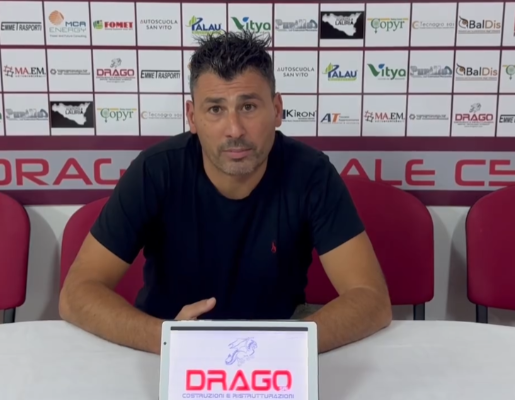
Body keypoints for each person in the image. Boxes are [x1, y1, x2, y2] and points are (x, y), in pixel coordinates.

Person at [59, 30, 392, 355]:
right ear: (192, 117)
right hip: (167, 346)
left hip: (278, 350)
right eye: (216, 109)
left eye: (248, 106)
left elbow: (371, 299)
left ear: (277, 110)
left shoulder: (311, 173)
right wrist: (168, 340)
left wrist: (281, 346)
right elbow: (77, 293)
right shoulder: (155, 170)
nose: (234, 129)